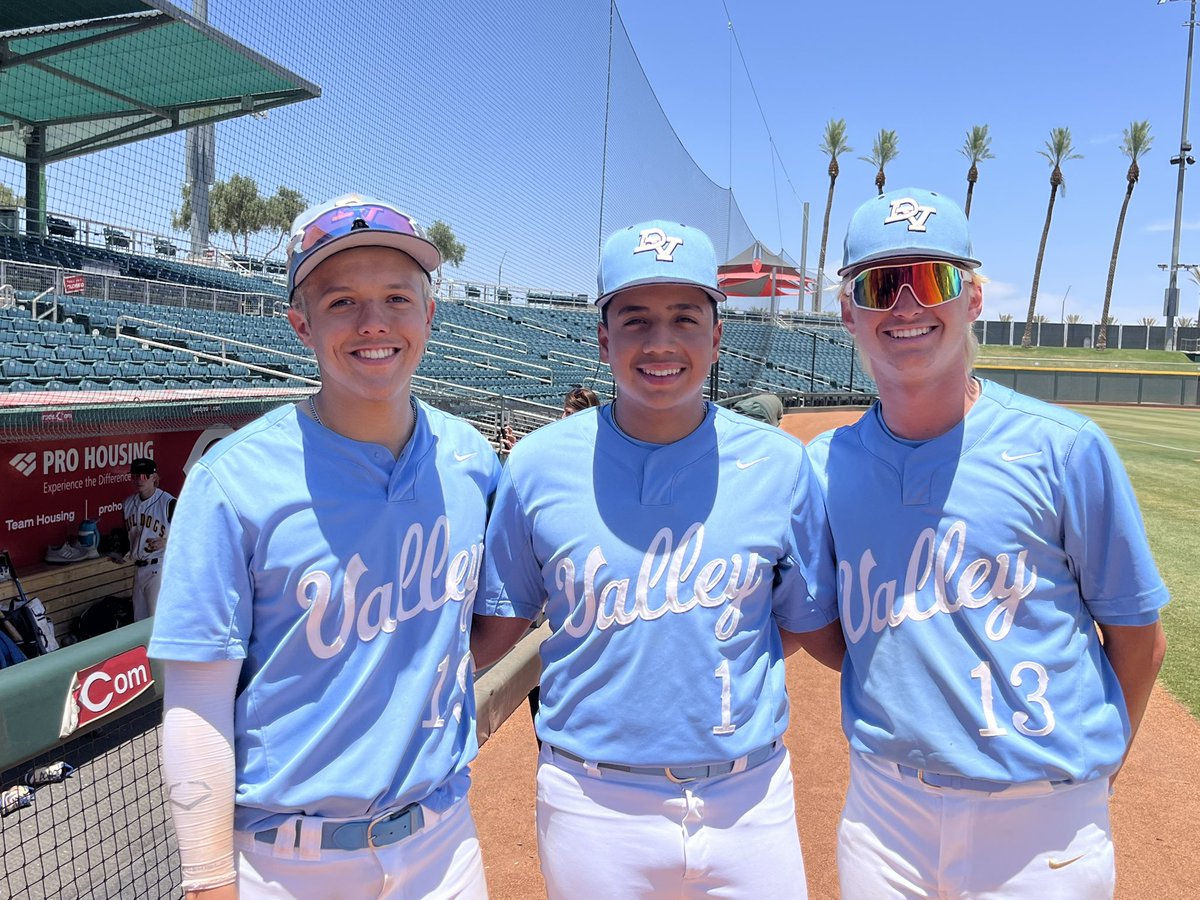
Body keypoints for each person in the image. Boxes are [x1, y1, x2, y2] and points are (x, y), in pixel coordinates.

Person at [807, 187, 1170, 899]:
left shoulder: (1065, 450)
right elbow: (828, 628)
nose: (907, 306)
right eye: (882, 284)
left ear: (972, 299)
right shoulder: (824, 468)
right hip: (886, 820)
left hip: (1045, 829)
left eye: (933, 279)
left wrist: (1091, 780)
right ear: (850, 310)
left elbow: (1138, 638)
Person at [473, 219, 842, 898]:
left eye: (684, 317)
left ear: (717, 335)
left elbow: (804, 623)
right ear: (604, 337)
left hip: (750, 800)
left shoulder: (780, 467)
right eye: (636, 319)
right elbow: (493, 630)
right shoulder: (537, 464)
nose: (662, 342)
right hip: (591, 802)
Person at [149, 194, 499, 899]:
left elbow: (487, 623)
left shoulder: (472, 459)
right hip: (288, 861)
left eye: (397, 297)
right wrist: (208, 879)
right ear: (300, 325)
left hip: (443, 844)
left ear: (429, 314)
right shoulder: (232, 482)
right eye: (341, 302)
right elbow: (195, 702)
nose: (374, 323)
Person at [124, 457, 175, 621]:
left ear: (154, 477)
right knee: (139, 623)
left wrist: (166, 542)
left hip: (159, 568)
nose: (139, 479)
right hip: (138, 570)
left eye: (144, 476)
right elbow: (129, 540)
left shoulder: (168, 503)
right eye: (136, 475)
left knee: (157, 622)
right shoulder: (127, 504)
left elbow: (192, 533)